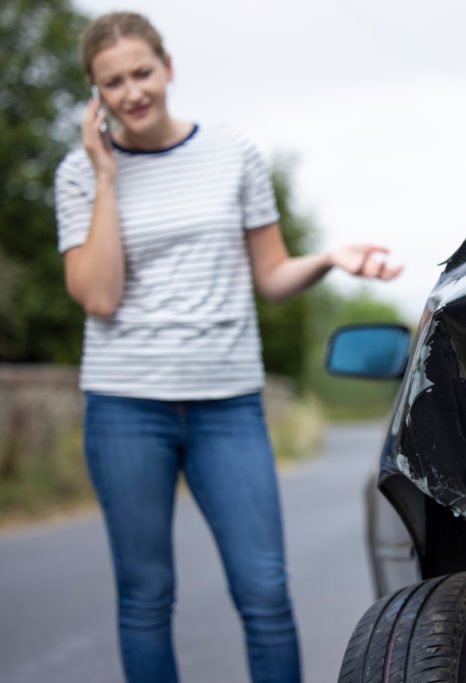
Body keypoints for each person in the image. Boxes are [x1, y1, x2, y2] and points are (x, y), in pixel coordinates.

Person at [53, 12, 401, 683]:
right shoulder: (78, 173)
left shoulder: (232, 151)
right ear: (95, 94)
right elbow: (98, 295)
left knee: (265, 591)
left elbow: (270, 276)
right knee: (146, 597)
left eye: (142, 72)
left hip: (227, 403)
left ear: (168, 67)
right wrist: (104, 175)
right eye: (113, 82)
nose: (132, 92)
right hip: (126, 406)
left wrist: (328, 256)